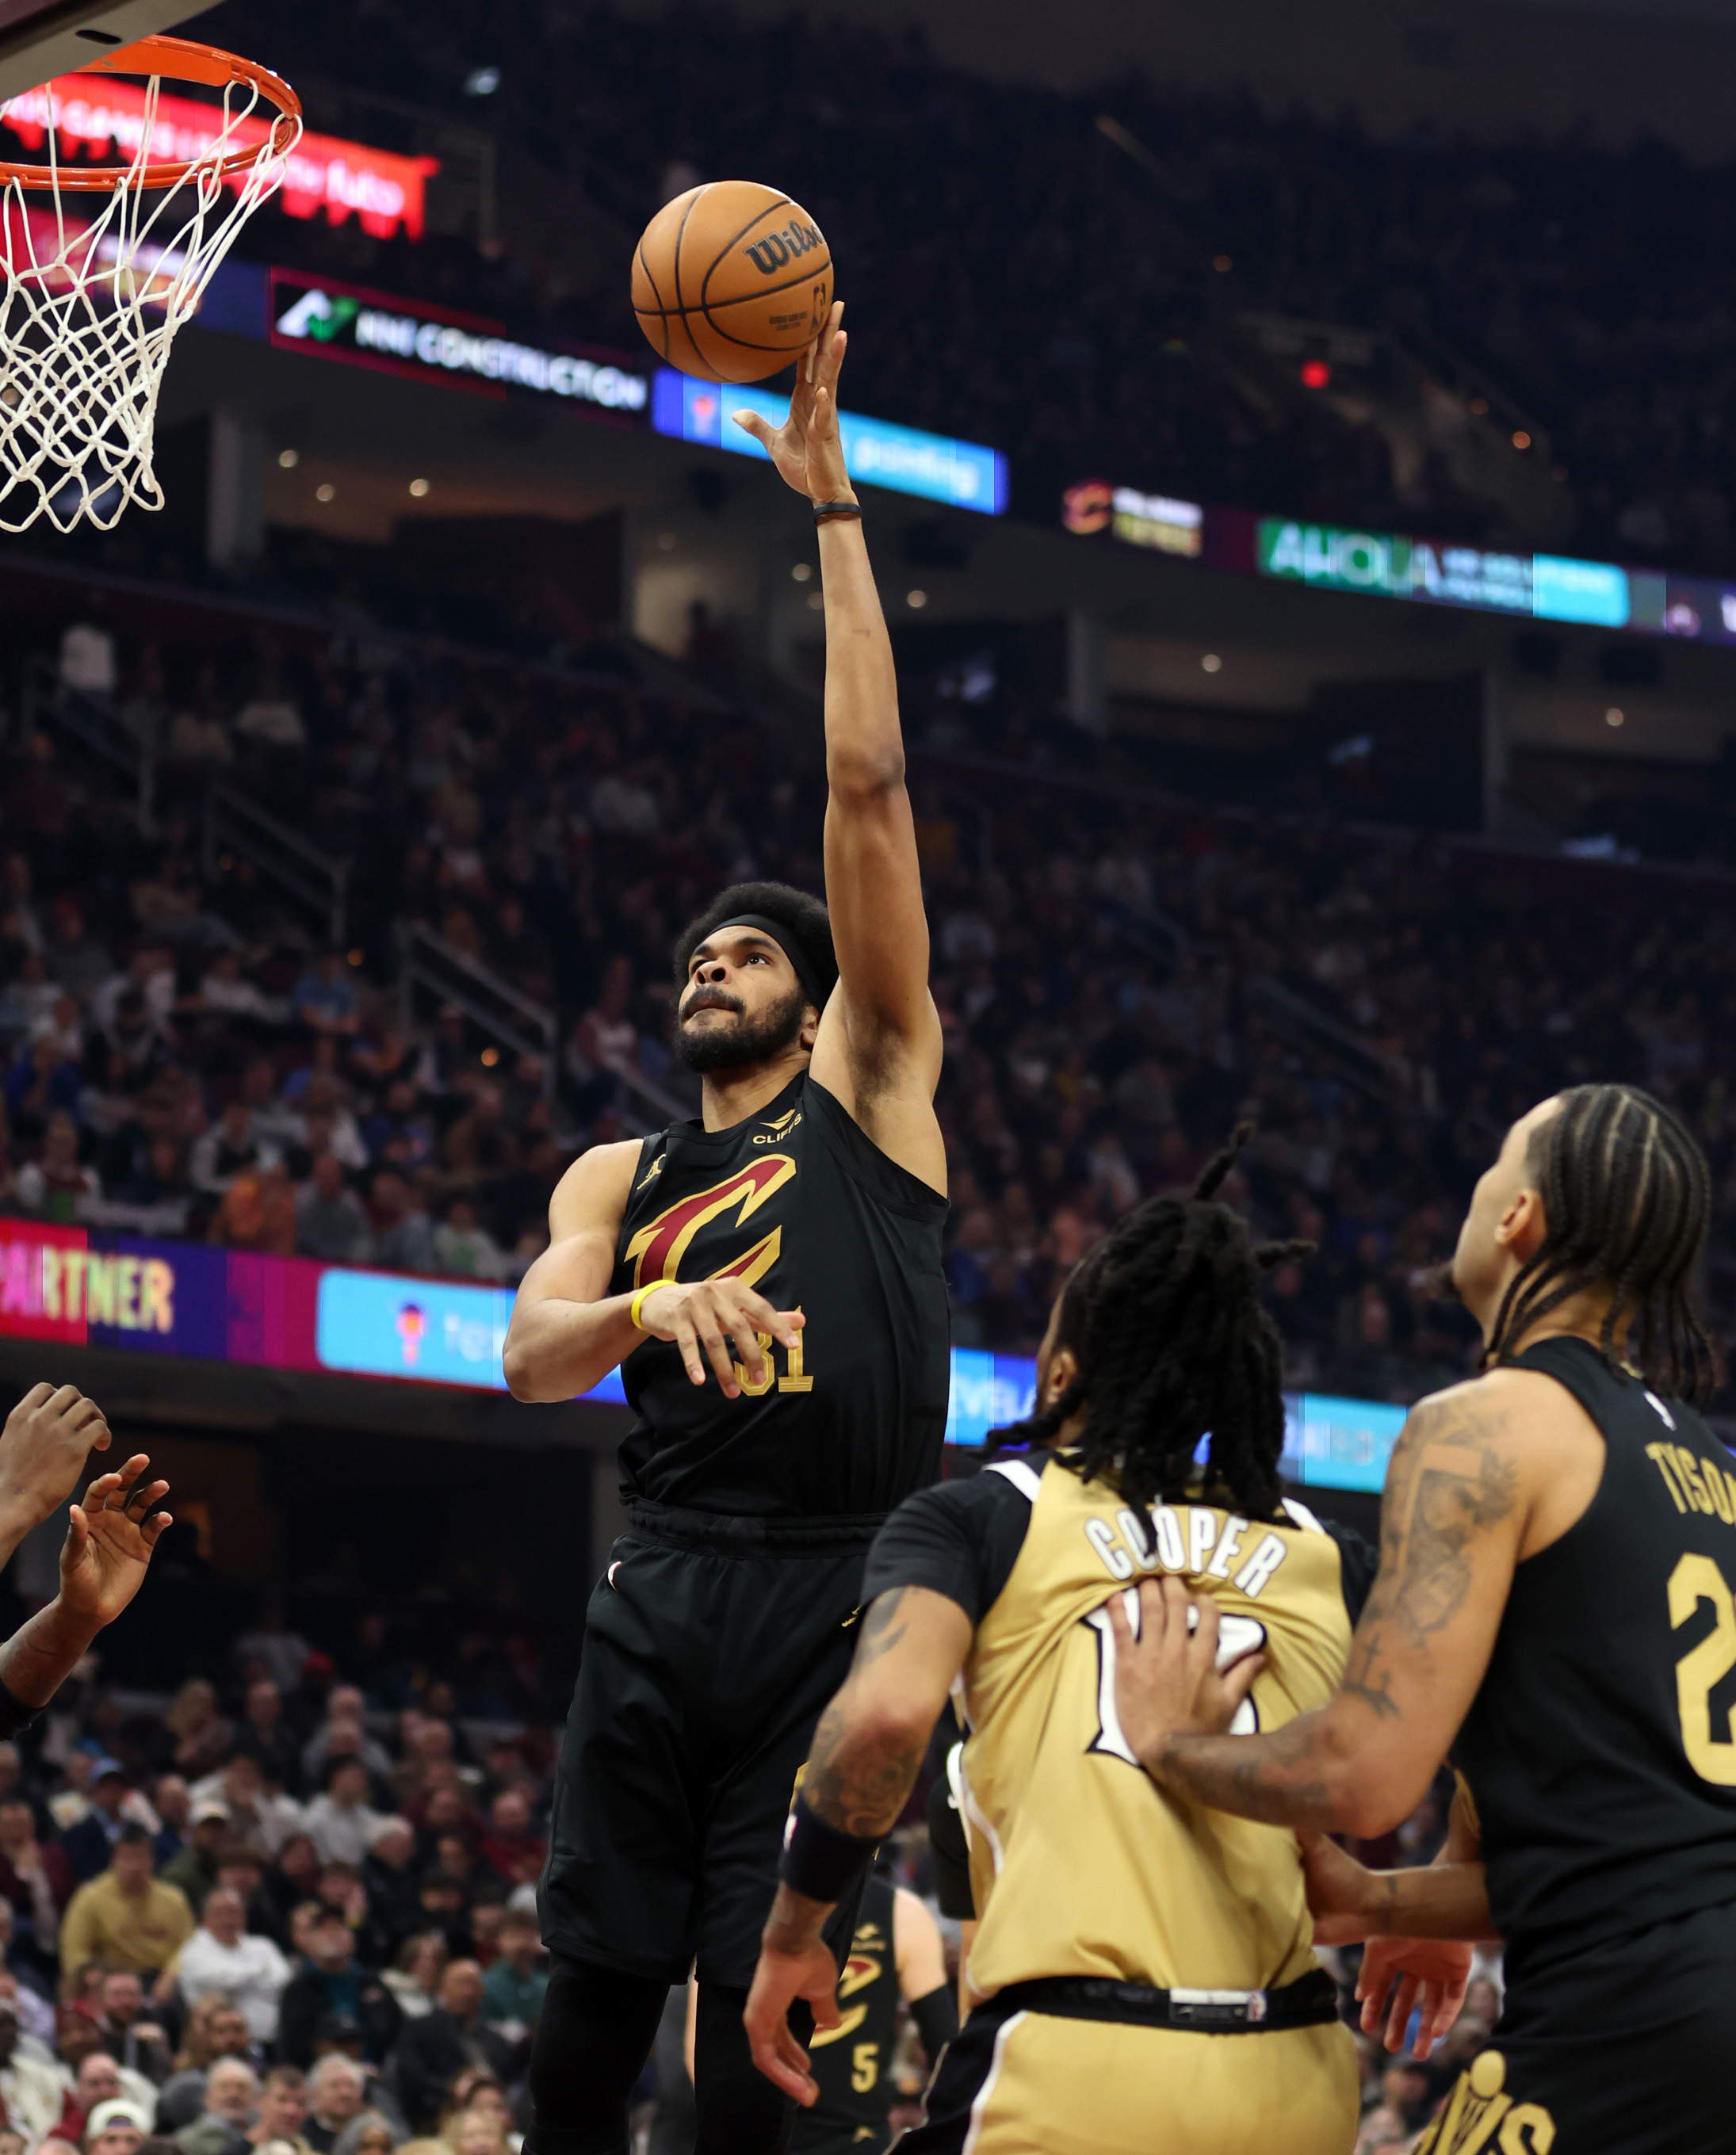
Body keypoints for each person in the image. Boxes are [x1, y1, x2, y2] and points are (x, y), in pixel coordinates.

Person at [503, 306, 950, 2155]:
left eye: (748, 946)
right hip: (662, 1571)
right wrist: (647, 1300)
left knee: (741, 2045)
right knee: (582, 2027)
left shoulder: (874, 1084)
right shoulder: (617, 1176)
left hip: (835, 1578)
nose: (709, 962)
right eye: (693, 952)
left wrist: (831, 509)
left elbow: (863, 788)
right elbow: (528, 1354)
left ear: (822, 988)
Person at [744, 1136, 1463, 2153]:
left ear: (1065, 1369)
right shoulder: (1331, 1555)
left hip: (1075, 2061)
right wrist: (1430, 1899)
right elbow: (1509, 1739)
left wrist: (795, 1926)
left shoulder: (984, 1517)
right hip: (1297, 2075)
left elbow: (887, 1717)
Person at [1107, 1083, 1736, 2155]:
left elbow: (1363, 1771)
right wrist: (1385, 1901)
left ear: (1516, 1216)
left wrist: (1170, 1742)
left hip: (1634, 2014)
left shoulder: (1481, 1424)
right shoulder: (1715, 1471)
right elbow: (1631, 1845)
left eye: (1497, 1159)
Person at [783, 1867, 954, 2155]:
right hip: (842, 2135)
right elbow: (948, 2055)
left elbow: (945, 2051)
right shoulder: (903, 1912)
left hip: (839, 2135)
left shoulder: (901, 1912)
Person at [389, 1962, 512, 2134]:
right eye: (461, 1983)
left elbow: (510, 2076)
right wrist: (452, 2087)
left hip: (497, 2113)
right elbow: (412, 2077)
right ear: (443, 1989)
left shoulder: (494, 2038)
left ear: (482, 1992)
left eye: (474, 1984)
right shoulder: (420, 2029)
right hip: (442, 2114)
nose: (469, 1992)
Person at [166, 1885, 294, 2046]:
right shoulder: (192, 1951)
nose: (228, 1920)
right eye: (220, 1913)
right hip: (217, 2044)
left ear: (244, 1916)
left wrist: (242, 1981)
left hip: (271, 2040)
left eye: (234, 1912)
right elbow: (223, 1980)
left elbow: (283, 1980)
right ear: (205, 1918)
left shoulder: (263, 1946)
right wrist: (260, 1971)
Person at [61, 1827, 195, 1981]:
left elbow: (188, 1948)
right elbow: (74, 1951)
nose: (134, 1866)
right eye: (126, 1858)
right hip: (111, 1979)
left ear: (151, 1861)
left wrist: (171, 1974)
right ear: (113, 1862)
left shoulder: (174, 1899)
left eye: (140, 1858)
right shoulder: (90, 1898)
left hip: (162, 1978)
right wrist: (94, 1979)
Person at [174, 2058, 256, 2155]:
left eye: (241, 2087)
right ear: (207, 2097)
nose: (233, 2094)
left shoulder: (265, 2136)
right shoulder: (188, 2141)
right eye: (224, 2087)